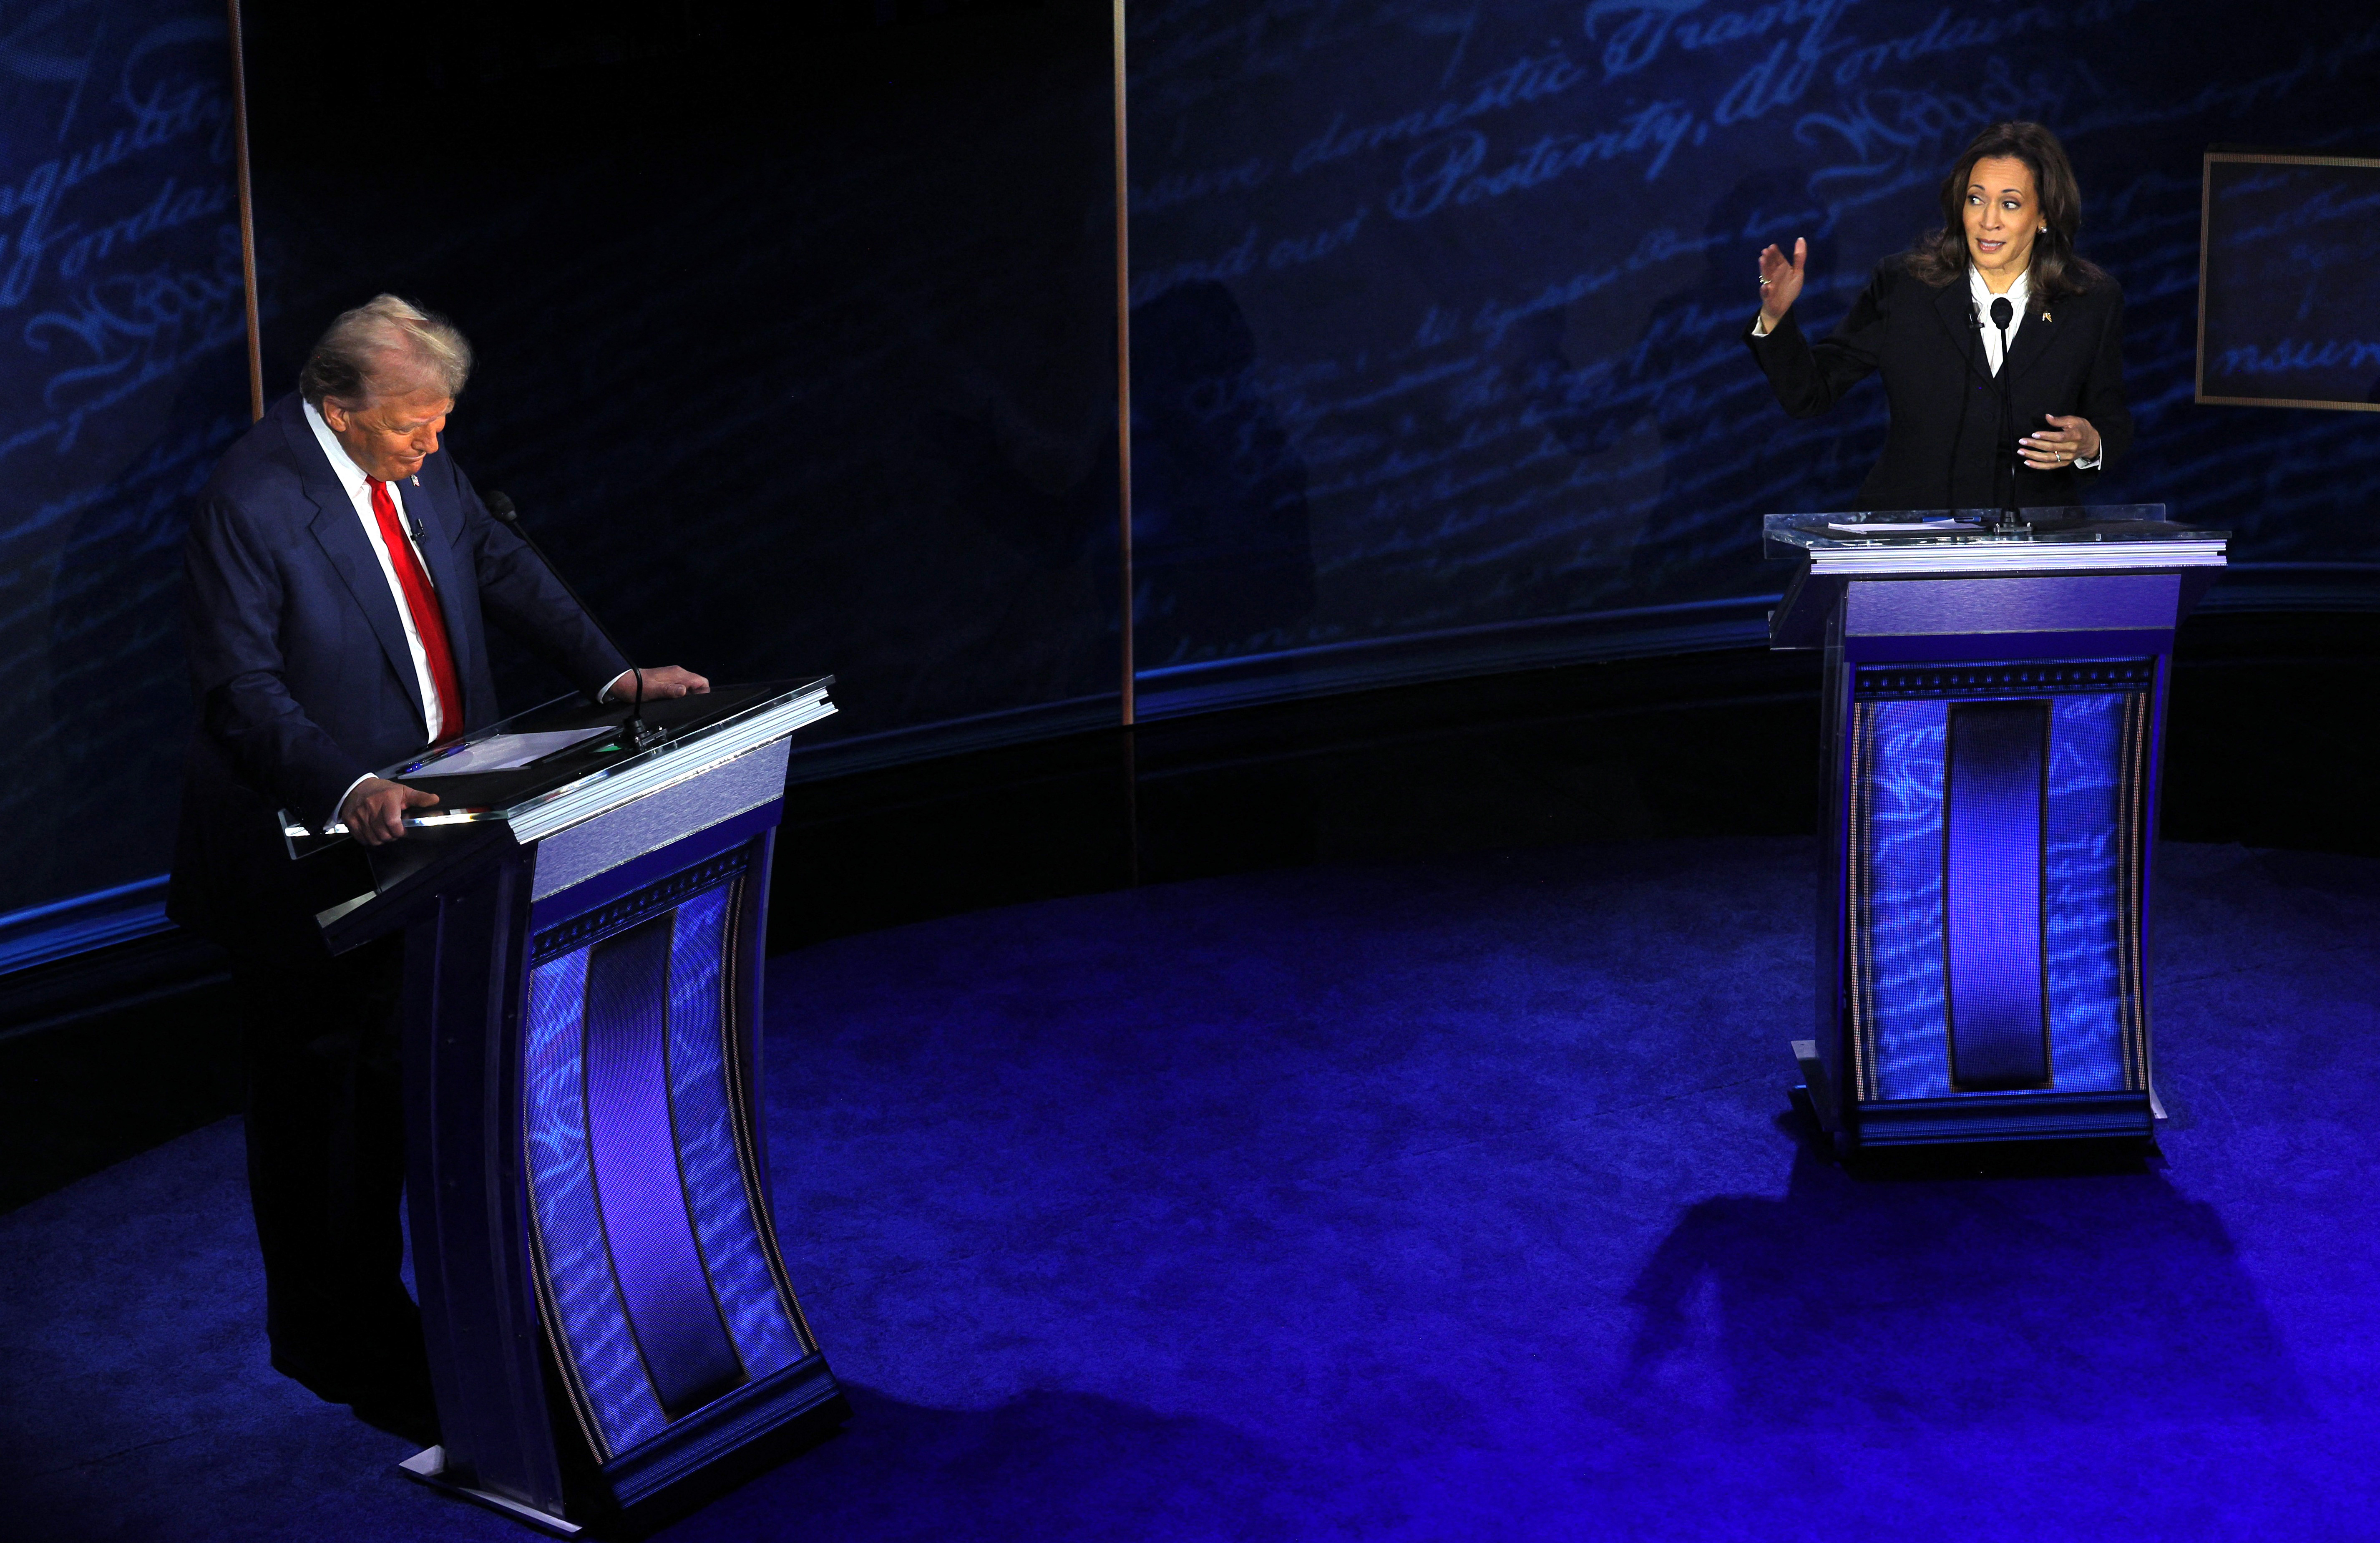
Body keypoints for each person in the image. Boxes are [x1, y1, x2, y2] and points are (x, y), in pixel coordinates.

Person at [168, 295, 707, 1442]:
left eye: (442, 423)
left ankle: (417, 1314)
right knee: (328, 1113)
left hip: (441, 834)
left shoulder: (419, 455)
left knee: (414, 1084)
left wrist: (613, 676)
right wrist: (348, 788)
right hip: (306, 857)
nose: (434, 446)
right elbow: (241, 695)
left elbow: (500, 563)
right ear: (338, 408)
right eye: (415, 426)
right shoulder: (251, 501)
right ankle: (329, 1337)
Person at [1743, 121, 2132, 512]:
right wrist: (1776, 318)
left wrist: (2090, 443)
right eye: (1976, 199)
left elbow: (2111, 420)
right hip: (1912, 537)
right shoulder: (1904, 287)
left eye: (2010, 204)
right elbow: (1810, 394)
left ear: (2044, 214)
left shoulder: (2089, 300)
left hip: (2034, 542)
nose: (1988, 220)